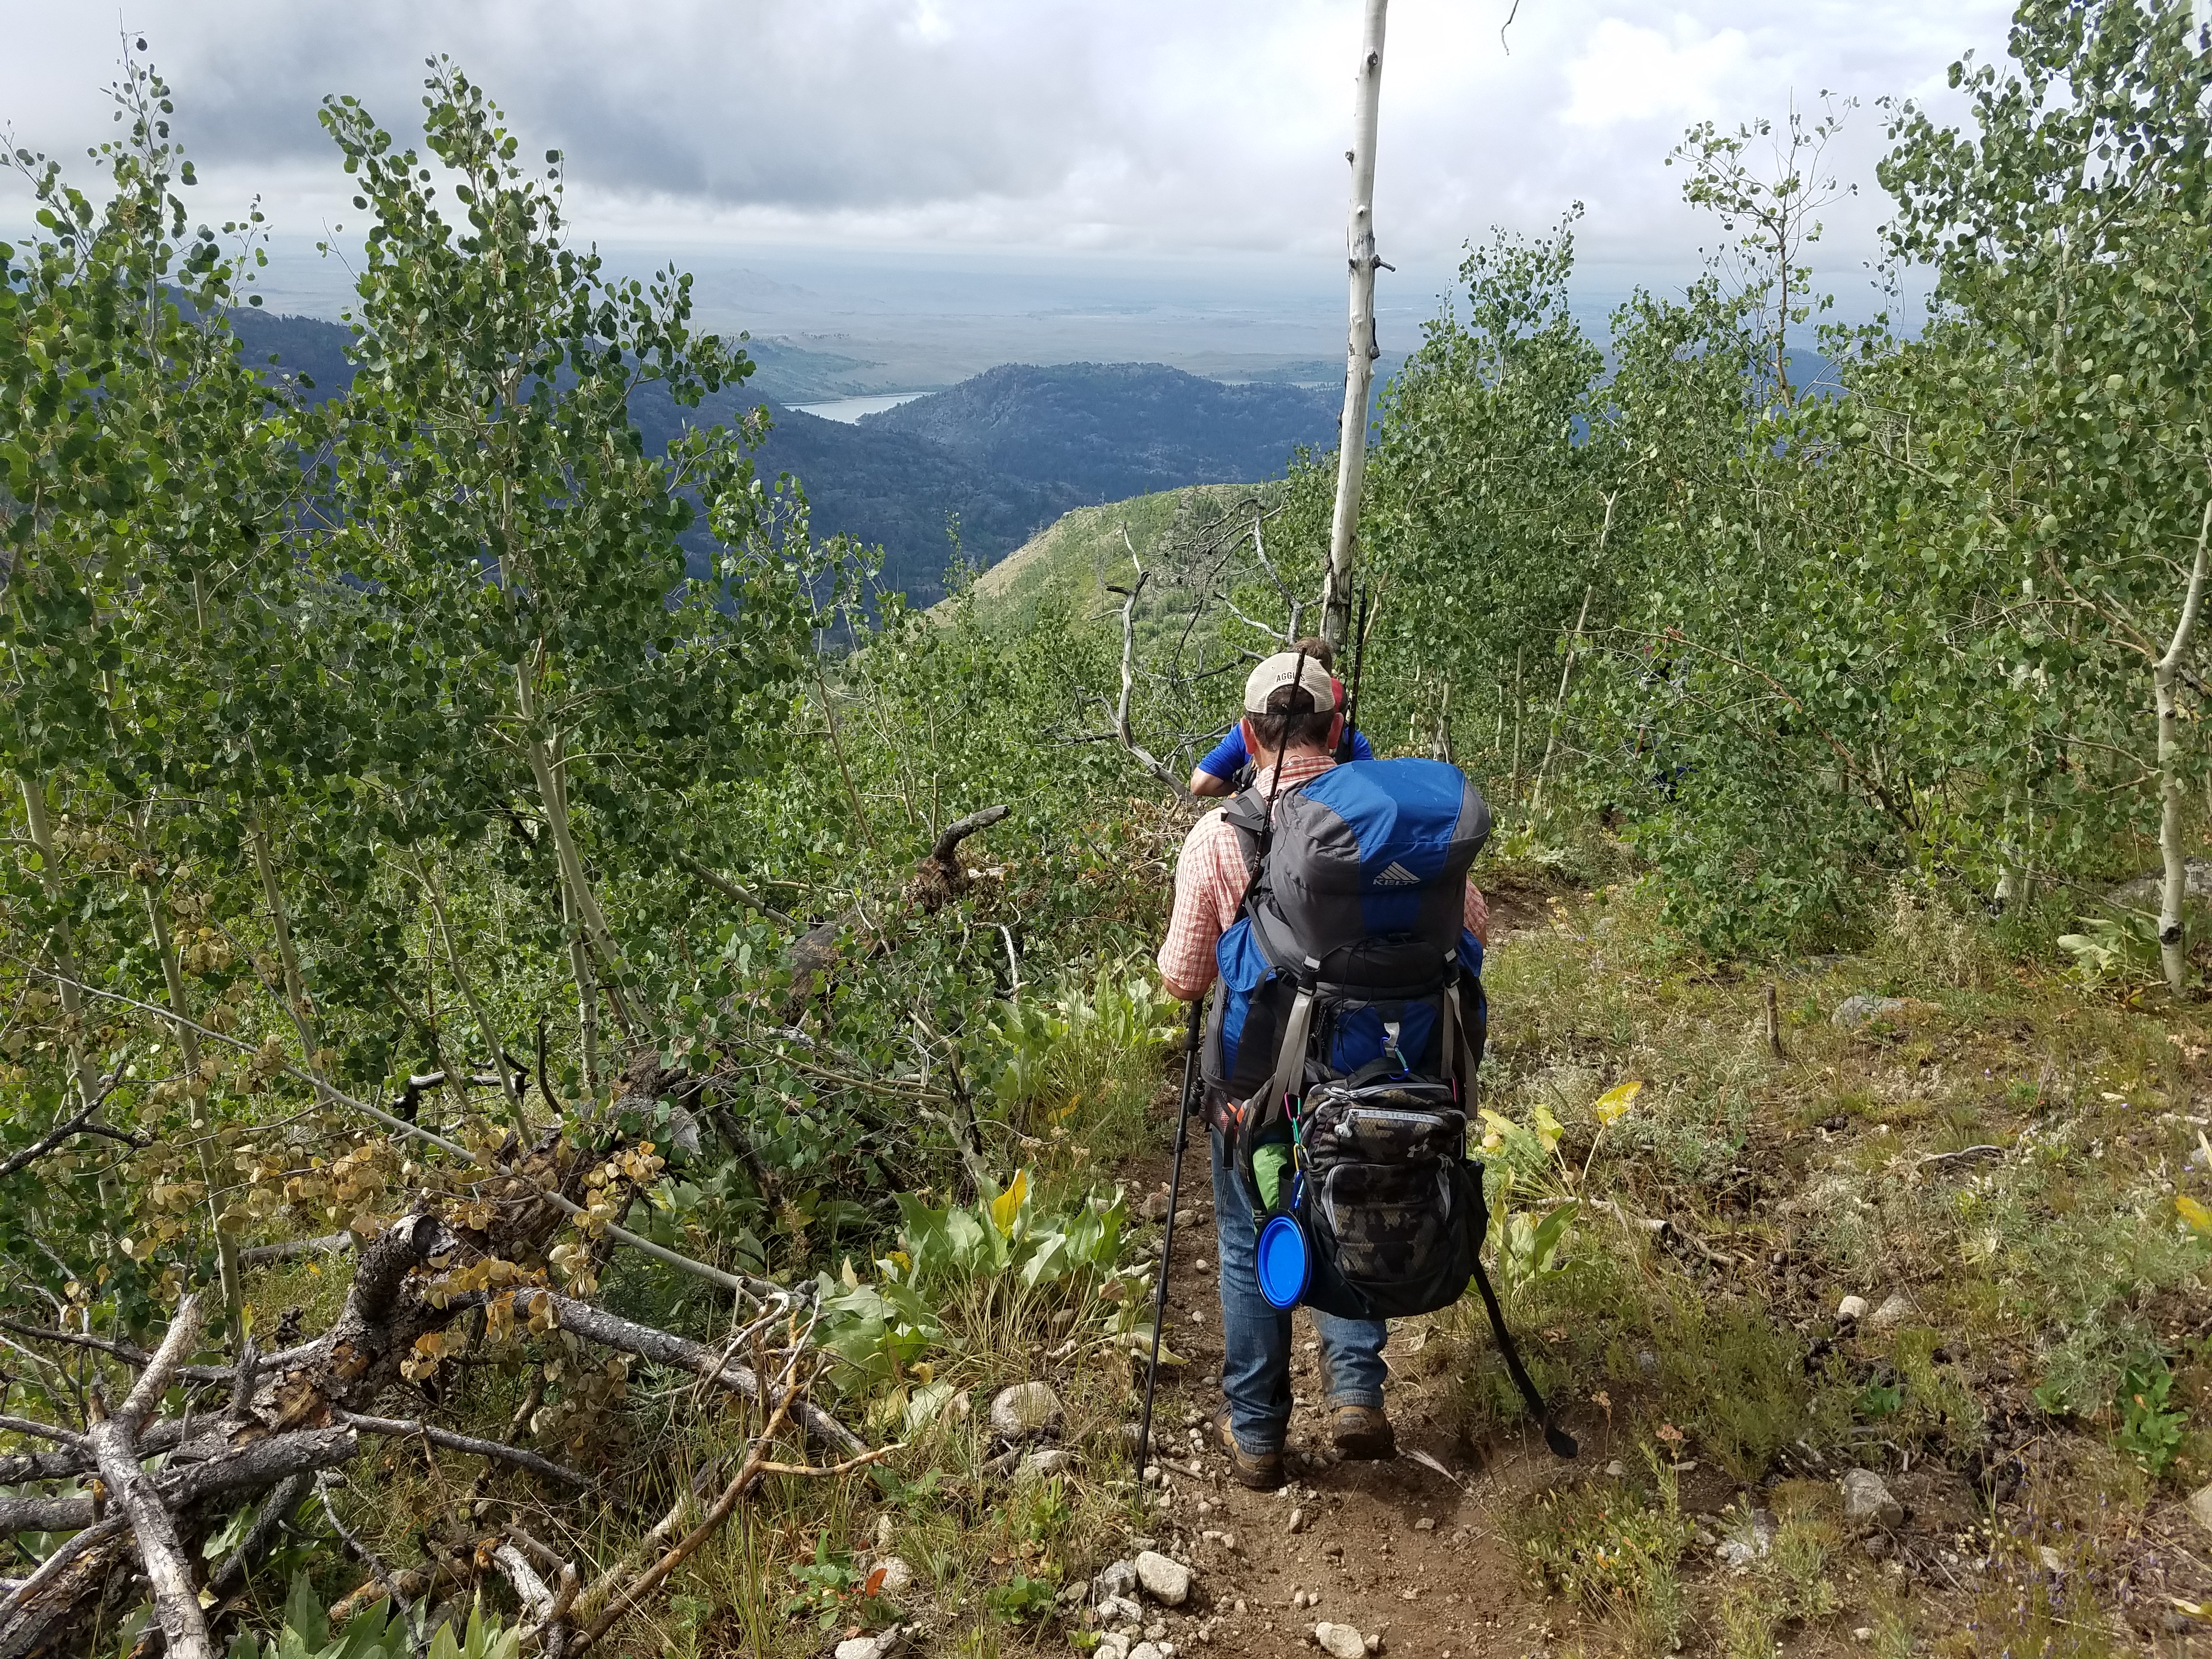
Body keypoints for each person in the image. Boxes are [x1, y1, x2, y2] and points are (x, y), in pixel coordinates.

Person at [1156, 650, 1489, 1488]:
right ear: (1339, 730)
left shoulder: (1221, 834)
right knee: (1367, 1190)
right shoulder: (1398, 829)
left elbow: (1184, 978)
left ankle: (1262, 1435)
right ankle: (1355, 1399)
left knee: (1244, 1236)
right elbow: (1473, 935)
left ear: (1247, 736)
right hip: (1392, 1071)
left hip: (1260, 1092)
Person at [1188, 636, 1373, 797]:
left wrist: (1245, 790)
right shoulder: (1348, 736)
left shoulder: (1253, 727)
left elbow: (1201, 783)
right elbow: (1371, 789)